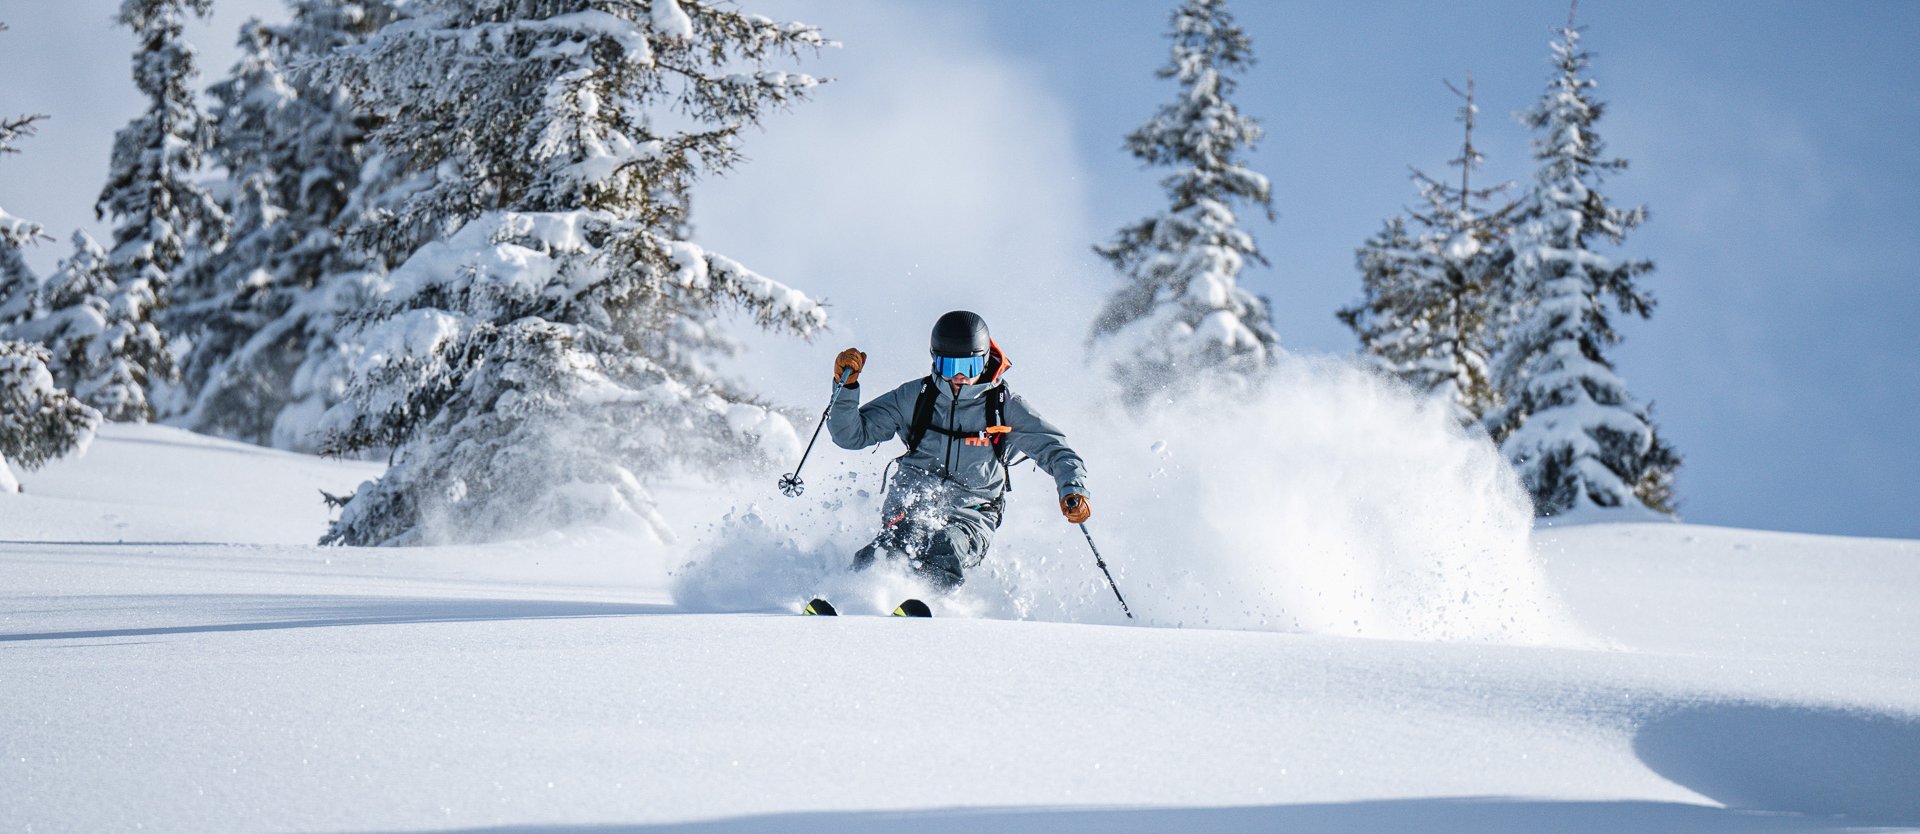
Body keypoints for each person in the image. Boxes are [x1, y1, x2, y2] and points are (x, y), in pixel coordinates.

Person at [827, 310, 1091, 593]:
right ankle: (852, 598)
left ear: (986, 360)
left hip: (970, 515)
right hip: (911, 504)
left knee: (945, 545)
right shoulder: (916, 398)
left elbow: (1056, 450)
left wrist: (1073, 490)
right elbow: (850, 436)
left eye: (971, 366)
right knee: (896, 542)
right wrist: (847, 386)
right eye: (950, 367)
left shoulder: (1004, 408)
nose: (961, 378)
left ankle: (930, 606)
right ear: (935, 361)